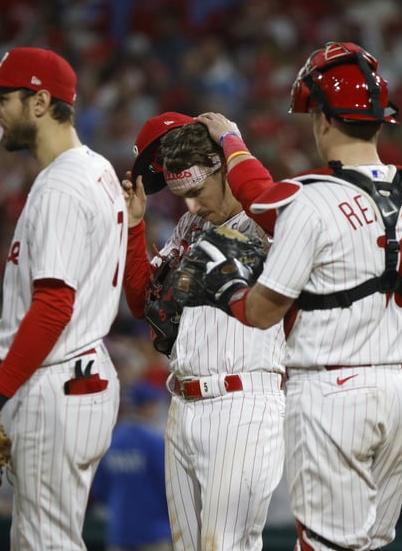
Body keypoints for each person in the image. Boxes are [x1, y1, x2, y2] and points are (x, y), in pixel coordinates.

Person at [193, 41, 402, 551]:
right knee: (372, 545)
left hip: (331, 393)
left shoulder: (311, 201)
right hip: (400, 392)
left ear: (324, 120)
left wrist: (227, 290)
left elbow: (265, 311)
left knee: (325, 545)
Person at [0, 47, 127, 551]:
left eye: (3, 98)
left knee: (44, 544)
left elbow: (52, 307)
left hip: (58, 380)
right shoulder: (96, 168)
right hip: (83, 376)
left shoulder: (61, 188)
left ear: (40, 102)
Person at [121, 113, 286, 551]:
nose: (190, 206)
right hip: (184, 405)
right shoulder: (190, 226)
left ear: (224, 168)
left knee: (225, 545)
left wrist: (233, 142)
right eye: (181, 196)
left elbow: (267, 203)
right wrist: (136, 225)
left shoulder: (269, 220)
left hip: (243, 404)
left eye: (196, 191)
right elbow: (141, 303)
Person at [91, 380, 172, 551]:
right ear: (147, 406)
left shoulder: (111, 440)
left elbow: (99, 489)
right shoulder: (155, 442)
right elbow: (169, 487)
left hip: (119, 530)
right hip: (154, 532)